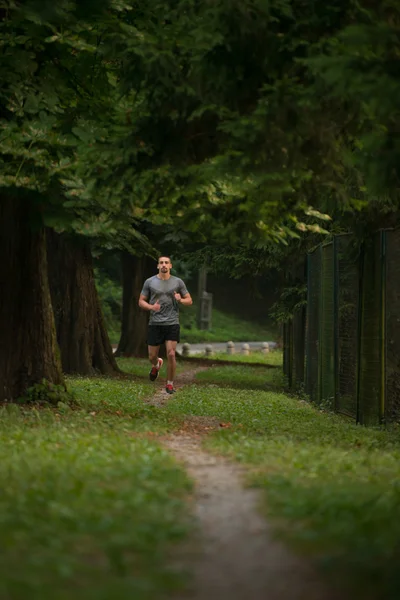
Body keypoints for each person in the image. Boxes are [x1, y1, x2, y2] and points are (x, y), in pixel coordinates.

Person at [138, 256, 193, 394]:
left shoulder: (177, 282)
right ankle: (157, 364)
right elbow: (141, 301)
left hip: (172, 322)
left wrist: (181, 300)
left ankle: (169, 384)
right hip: (155, 323)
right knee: (151, 356)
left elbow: (189, 300)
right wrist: (151, 307)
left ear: (170, 266)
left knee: (172, 354)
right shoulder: (149, 282)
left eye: (166, 263)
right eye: (161, 262)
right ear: (158, 266)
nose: (164, 265)